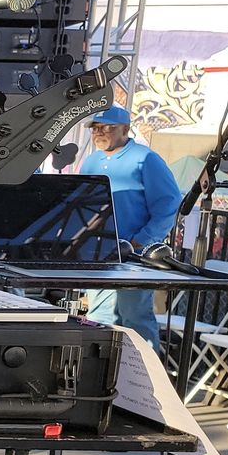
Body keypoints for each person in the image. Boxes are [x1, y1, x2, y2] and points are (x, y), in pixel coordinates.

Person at [80, 104, 180, 350]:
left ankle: (146, 372)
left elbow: (169, 203)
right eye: (95, 128)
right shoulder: (91, 161)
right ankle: (99, 370)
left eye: (107, 127)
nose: (99, 132)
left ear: (125, 129)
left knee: (134, 316)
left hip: (134, 257)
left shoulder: (146, 159)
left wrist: (141, 240)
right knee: (99, 316)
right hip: (100, 254)